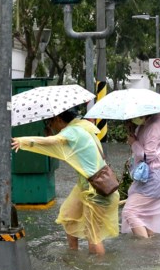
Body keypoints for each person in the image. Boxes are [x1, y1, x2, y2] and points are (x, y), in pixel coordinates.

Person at [11, 108, 119, 255]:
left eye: (51, 121)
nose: (51, 126)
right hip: (85, 186)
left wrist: (23, 141)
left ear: (58, 119)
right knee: (68, 216)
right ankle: (73, 253)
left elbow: (53, 140)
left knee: (93, 234)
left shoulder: (73, 130)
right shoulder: (81, 126)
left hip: (95, 189)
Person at [122, 113, 160, 238]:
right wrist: (134, 138)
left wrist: (134, 143)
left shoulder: (154, 127)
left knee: (130, 211)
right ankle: (150, 252)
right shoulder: (143, 127)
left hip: (154, 177)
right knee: (145, 216)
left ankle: (144, 247)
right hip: (150, 176)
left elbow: (148, 156)